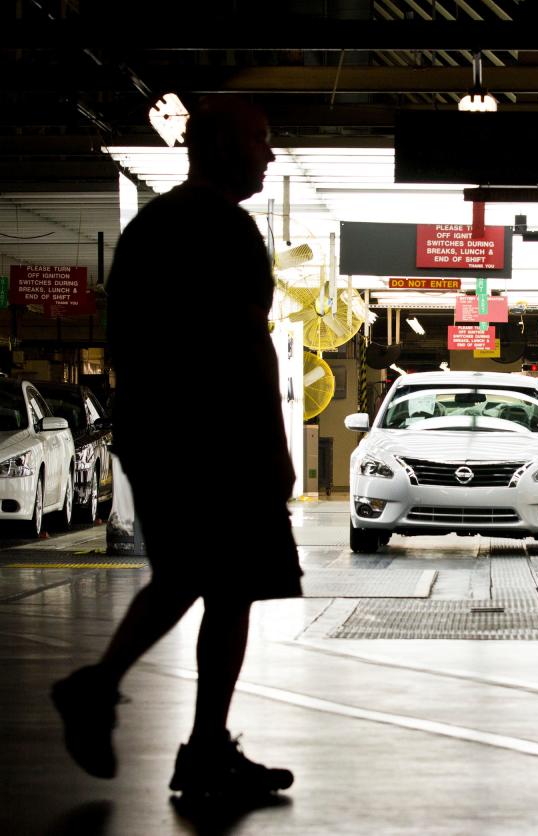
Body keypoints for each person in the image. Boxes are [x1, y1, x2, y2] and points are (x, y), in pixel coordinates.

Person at [51, 97, 303, 799]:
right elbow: (249, 342)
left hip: (156, 432)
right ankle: (192, 743)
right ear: (221, 146)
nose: (270, 154)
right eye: (260, 139)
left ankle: (144, 713)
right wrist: (276, 446)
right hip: (217, 439)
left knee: (193, 576)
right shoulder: (225, 230)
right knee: (228, 590)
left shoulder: (152, 226)